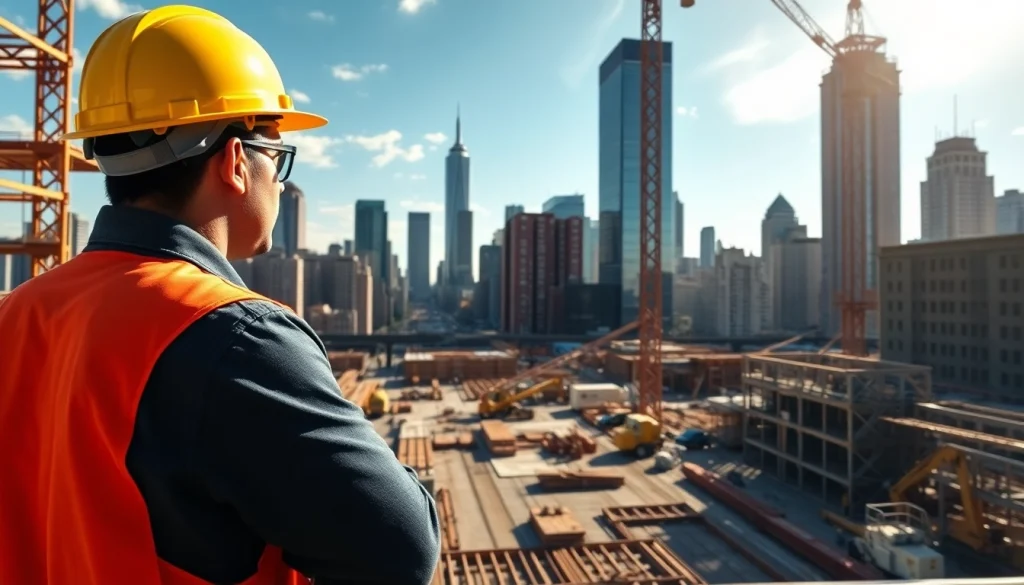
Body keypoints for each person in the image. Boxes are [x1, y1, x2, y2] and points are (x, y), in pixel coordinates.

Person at [0, 5, 439, 585]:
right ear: (236, 161)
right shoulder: (233, 335)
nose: (278, 185)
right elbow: (401, 552)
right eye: (278, 158)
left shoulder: (18, 312)